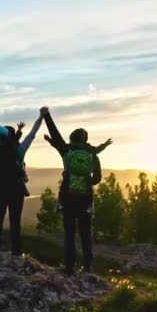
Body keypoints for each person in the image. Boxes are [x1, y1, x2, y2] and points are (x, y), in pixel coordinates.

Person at [40, 106, 109, 275]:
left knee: (69, 234)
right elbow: (97, 179)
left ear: (71, 139)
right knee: (86, 233)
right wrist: (87, 180)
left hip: (68, 198)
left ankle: (69, 267)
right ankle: (87, 267)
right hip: (85, 199)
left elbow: (56, 136)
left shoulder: (67, 151)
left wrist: (46, 116)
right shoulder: (93, 155)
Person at [0, 98, 44, 258]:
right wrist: (40, 118)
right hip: (16, 188)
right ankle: (17, 253)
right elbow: (32, 135)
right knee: (15, 222)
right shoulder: (19, 149)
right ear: (15, 137)